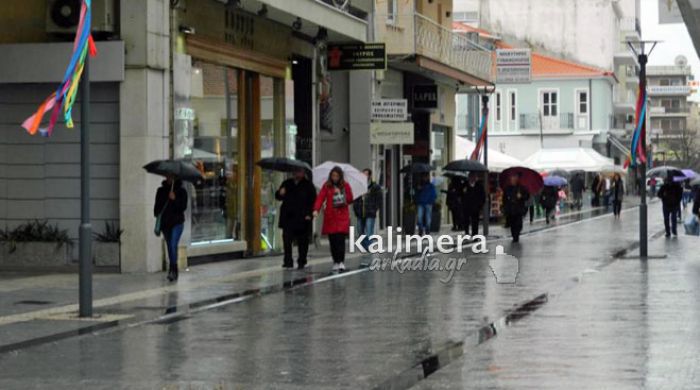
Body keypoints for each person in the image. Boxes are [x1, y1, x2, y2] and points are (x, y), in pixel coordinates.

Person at [313, 166, 354, 272]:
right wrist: (316, 209)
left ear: (340, 176)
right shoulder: (327, 186)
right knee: (333, 241)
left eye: (336, 176)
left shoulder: (345, 186)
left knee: (340, 240)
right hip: (330, 217)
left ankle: (341, 261)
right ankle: (335, 261)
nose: (334, 178)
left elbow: (350, 199)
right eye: (333, 175)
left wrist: (340, 193)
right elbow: (320, 198)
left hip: (341, 216)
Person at [275, 168, 317, 269]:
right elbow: (278, 196)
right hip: (288, 217)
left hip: (302, 217)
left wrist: (309, 214)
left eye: (299, 171)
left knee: (302, 241)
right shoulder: (287, 183)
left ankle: (302, 260)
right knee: (287, 240)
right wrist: (280, 193)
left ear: (303, 173)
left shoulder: (308, 185)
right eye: (295, 171)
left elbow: (313, 200)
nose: (296, 173)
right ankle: (288, 260)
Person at [154, 175, 188, 282]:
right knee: (169, 246)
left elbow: (183, 207)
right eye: (168, 176)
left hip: (177, 223)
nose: (169, 178)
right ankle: (173, 269)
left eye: (172, 177)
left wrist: (174, 199)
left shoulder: (182, 191)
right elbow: (156, 209)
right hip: (165, 224)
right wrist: (165, 201)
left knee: (173, 244)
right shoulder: (160, 190)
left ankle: (173, 269)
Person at [353, 169, 382, 251]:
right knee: (360, 231)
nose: (364, 176)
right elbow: (354, 198)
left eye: (366, 174)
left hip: (370, 212)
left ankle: (369, 247)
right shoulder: (358, 186)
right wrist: (355, 209)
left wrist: (374, 208)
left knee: (369, 231)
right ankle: (364, 246)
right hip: (360, 212)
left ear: (369, 176)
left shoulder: (375, 187)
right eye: (363, 174)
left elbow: (379, 199)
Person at [502, 174, 530, 243]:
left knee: (518, 223)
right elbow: (504, 199)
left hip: (518, 209)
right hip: (510, 209)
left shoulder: (521, 188)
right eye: (511, 178)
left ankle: (516, 235)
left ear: (517, 178)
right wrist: (505, 207)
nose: (512, 179)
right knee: (512, 223)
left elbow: (527, 197)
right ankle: (514, 235)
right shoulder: (507, 188)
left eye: (514, 177)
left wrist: (521, 196)